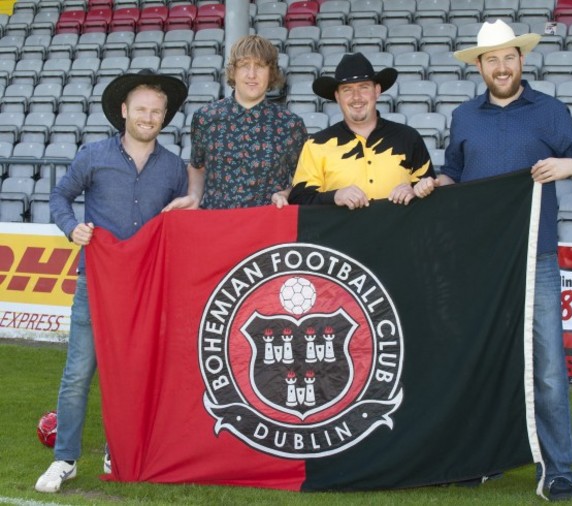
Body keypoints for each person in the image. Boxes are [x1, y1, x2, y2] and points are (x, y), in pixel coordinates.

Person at [414, 19, 572, 502]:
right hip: (479, 260)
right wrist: (437, 183)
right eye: (491, 59)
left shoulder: (550, 111)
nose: (501, 66)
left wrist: (569, 166)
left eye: (509, 57)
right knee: (483, 362)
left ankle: (559, 471)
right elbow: (457, 170)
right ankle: (483, 459)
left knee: (548, 369)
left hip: (535, 257)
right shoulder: (465, 117)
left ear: (522, 59)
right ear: (479, 66)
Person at [35, 69, 189, 493]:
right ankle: (64, 459)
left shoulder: (175, 168)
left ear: (164, 117)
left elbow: (182, 224)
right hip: (95, 283)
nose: (149, 116)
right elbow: (59, 196)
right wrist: (72, 227)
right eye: (141, 109)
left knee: (134, 372)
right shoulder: (93, 155)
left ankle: (117, 450)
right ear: (124, 111)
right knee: (78, 373)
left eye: (156, 111)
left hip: (145, 288)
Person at [163, 35, 307, 212]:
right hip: (218, 226)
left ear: (271, 73)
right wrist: (194, 196)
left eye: (260, 66)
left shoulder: (290, 125)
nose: (252, 74)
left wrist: (286, 194)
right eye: (244, 65)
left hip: (267, 228)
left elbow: (303, 181)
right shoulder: (206, 118)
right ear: (233, 71)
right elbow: (197, 166)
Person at [288, 52, 434, 209]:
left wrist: (414, 190)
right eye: (347, 90)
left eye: (364, 87)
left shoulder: (408, 137)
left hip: (401, 233)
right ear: (337, 96)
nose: (356, 97)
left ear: (377, 91)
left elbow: (431, 193)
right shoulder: (316, 144)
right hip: (341, 234)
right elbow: (299, 200)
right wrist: (335, 196)